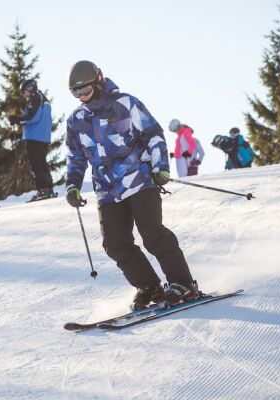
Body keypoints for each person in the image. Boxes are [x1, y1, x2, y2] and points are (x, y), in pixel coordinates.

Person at [64, 60, 201, 310]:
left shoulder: (125, 104)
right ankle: (149, 286)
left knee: (152, 235)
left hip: (139, 179)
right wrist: (72, 186)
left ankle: (183, 284)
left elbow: (153, 135)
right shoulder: (76, 120)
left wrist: (161, 167)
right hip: (106, 190)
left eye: (85, 90)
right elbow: (75, 156)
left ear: (98, 80)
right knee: (115, 243)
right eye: (76, 93)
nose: (81, 97)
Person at [8, 79, 55, 201]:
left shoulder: (35, 97)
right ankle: (48, 188)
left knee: (36, 164)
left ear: (29, 88)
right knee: (42, 163)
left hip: (34, 136)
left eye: (24, 92)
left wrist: (18, 119)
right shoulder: (42, 98)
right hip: (42, 136)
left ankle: (42, 189)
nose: (24, 95)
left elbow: (33, 117)